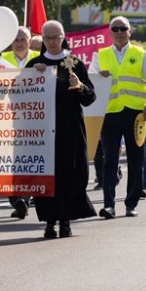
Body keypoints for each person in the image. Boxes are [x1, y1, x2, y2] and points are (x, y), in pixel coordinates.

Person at [26, 20, 97, 238]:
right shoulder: (35, 64)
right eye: (47, 38)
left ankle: (65, 220)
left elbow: (90, 98)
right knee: (46, 174)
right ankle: (49, 222)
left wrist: (80, 86)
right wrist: (33, 77)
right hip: (42, 129)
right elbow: (20, 96)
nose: (51, 41)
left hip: (69, 128)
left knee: (70, 172)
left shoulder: (74, 63)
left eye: (55, 37)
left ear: (63, 37)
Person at [90, 16, 146, 219]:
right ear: (110, 33)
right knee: (109, 160)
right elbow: (91, 83)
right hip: (110, 113)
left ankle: (131, 203)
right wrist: (98, 78)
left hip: (136, 114)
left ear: (130, 31)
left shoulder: (140, 54)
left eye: (123, 28)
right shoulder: (100, 55)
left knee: (135, 160)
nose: (119, 32)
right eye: (115, 29)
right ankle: (109, 205)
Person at [0, 26, 41, 219]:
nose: (19, 43)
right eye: (16, 39)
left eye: (23, 39)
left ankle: (24, 198)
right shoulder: (2, 59)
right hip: (8, 118)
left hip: (35, 117)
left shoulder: (40, 58)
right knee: (11, 162)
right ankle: (17, 201)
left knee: (29, 160)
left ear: (30, 41)